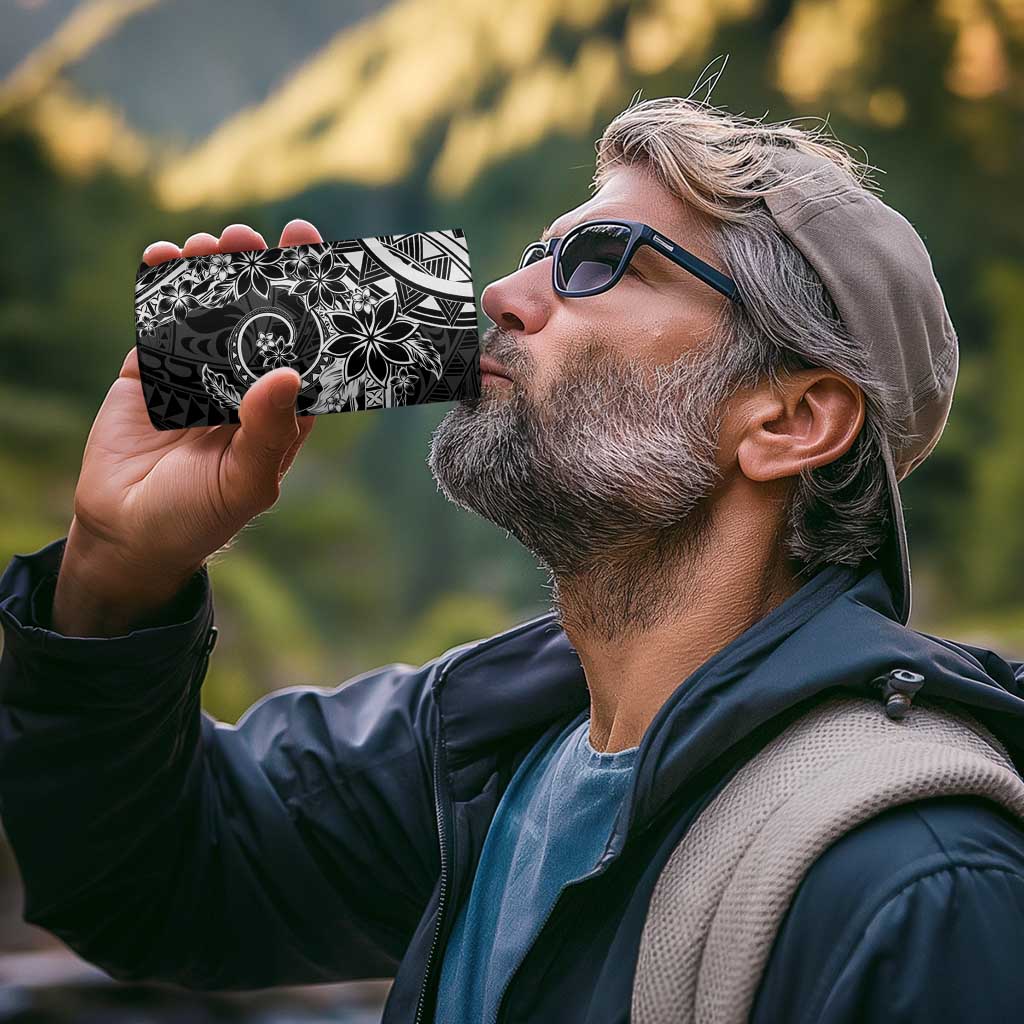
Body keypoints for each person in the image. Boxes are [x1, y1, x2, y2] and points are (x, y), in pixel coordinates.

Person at [2, 93, 1024, 1024]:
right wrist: (115, 571)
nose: (500, 292)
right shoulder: (481, 748)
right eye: (539, 252)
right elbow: (149, 879)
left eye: (599, 262)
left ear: (791, 419)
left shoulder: (918, 884)